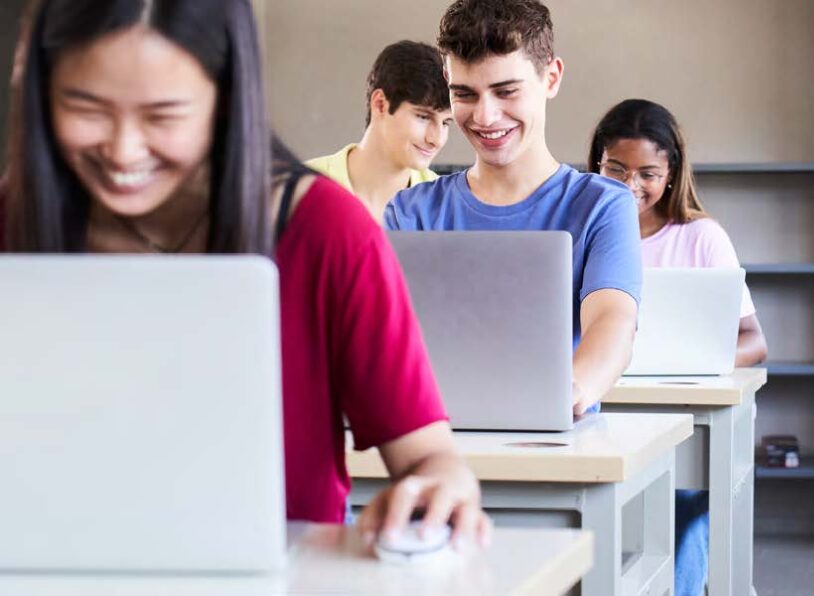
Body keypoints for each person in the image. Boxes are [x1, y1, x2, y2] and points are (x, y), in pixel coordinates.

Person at [2, 0, 489, 549]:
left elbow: (428, 457)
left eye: (163, 116)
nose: (122, 150)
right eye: (85, 108)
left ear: (227, 100)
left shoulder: (325, 231)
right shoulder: (13, 222)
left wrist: (440, 491)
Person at [385, 0, 642, 417]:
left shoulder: (601, 206)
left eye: (506, 91)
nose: (485, 116)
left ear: (551, 77)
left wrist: (568, 394)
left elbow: (612, 321)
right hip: (433, 441)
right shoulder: (411, 212)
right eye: (464, 94)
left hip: (557, 444)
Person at [588, 98, 768, 595]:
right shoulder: (582, 233)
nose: (630, 185)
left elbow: (755, 342)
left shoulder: (701, 237)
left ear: (671, 173)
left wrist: (693, 360)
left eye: (647, 173)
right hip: (603, 411)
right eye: (615, 169)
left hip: (686, 418)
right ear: (596, 164)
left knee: (686, 508)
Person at [306, 40, 453, 223]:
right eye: (423, 117)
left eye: (446, 122)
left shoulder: (444, 204)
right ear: (380, 104)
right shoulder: (301, 188)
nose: (437, 139)